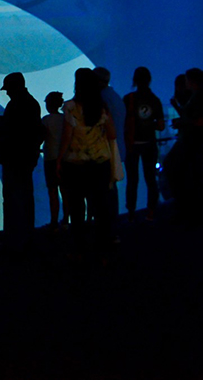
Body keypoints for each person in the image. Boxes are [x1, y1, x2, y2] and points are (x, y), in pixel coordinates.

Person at [58, 68, 117, 261]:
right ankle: (103, 247)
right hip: (100, 163)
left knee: (77, 208)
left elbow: (67, 136)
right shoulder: (102, 107)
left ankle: (79, 249)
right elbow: (112, 134)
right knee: (101, 207)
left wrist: (59, 159)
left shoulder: (71, 107)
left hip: (75, 164)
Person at [0, 72, 44, 252]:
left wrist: (0, 124)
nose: (6, 93)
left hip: (13, 159)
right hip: (26, 159)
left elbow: (10, 132)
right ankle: (26, 239)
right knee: (25, 198)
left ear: (14, 87)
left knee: (13, 200)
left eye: (8, 89)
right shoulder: (32, 104)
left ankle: (13, 241)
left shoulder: (16, 105)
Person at [167, 68, 203, 224]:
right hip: (195, 139)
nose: (184, 82)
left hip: (195, 139)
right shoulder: (200, 96)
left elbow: (199, 121)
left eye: (187, 80)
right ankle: (194, 211)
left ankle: (193, 212)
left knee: (192, 174)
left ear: (192, 81)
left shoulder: (200, 97)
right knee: (193, 174)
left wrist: (182, 122)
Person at [123, 67, 166, 222]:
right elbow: (161, 126)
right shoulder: (155, 100)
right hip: (149, 144)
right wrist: (148, 124)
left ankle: (131, 213)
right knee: (150, 179)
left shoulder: (128, 99)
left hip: (132, 145)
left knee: (132, 180)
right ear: (149, 80)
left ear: (135, 80)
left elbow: (122, 122)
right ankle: (151, 212)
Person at [94, 66, 125, 230]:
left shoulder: (102, 98)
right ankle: (112, 224)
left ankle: (107, 226)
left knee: (105, 190)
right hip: (117, 149)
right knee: (111, 188)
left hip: (105, 151)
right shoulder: (115, 97)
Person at [41, 91, 67, 231]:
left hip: (50, 158)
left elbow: (41, 136)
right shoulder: (65, 119)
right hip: (64, 158)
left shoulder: (46, 120)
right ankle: (66, 219)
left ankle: (54, 221)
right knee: (65, 190)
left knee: (52, 191)